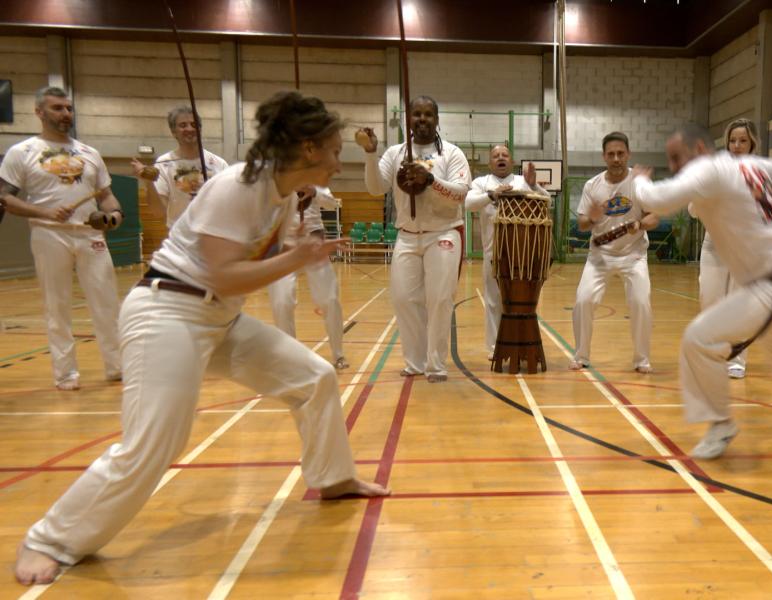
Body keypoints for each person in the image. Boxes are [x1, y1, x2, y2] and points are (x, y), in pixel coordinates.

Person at [13, 91, 390, 586]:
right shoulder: (238, 186)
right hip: (168, 313)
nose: (339, 161)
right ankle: (50, 539)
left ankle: (333, 477)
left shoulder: (279, 195)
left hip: (219, 320)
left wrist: (295, 248)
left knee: (313, 377)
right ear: (308, 149)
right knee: (155, 441)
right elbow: (224, 275)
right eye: (336, 149)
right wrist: (298, 258)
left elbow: (238, 277)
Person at [633, 123, 772, 459]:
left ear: (701, 149)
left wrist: (639, 180)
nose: (674, 166)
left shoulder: (708, 167)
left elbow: (659, 199)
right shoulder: (753, 166)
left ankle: (720, 424)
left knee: (699, 338)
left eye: (677, 158)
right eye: (669, 160)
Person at [0, 86, 123, 391]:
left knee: (107, 302)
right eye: (57, 108)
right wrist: (43, 211)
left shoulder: (90, 153)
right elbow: (5, 198)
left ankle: (117, 367)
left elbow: (107, 196)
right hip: (48, 235)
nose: (65, 114)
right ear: (39, 112)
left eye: (68, 108)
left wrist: (114, 216)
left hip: (90, 236)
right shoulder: (22, 152)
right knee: (57, 306)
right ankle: (66, 375)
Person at [358, 96, 471, 383]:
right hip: (407, 236)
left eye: (428, 114)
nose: (422, 119)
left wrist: (430, 179)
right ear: (408, 119)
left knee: (439, 300)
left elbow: (460, 193)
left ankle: (436, 364)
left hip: (444, 232)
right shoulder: (395, 152)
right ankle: (415, 362)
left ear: (437, 119)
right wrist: (371, 154)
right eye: (416, 114)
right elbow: (375, 188)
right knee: (404, 299)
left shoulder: (452, 154)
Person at [571, 131, 658, 373]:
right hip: (600, 255)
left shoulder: (640, 183)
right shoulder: (593, 185)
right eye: (611, 154)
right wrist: (592, 218)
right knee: (583, 300)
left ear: (628, 154)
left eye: (621, 153)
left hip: (634, 254)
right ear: (604, 157)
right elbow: (581, 223)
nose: (616, 158)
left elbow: (654, 216)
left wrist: (640, 225)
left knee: (641, 302)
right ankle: (581, 356)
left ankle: (642, 359)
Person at [465, 144, 550, 359]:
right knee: (494, 301)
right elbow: (468, 204)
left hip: (524, 254)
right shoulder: (480, 183)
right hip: (493, 252)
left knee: (519, 302)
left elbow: (547, 200)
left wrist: (533, 186)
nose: (500, 158)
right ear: (489, 162)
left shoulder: (523, 181)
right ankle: (495, 348)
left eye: (505, 155)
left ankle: (520, 344)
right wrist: (493, 195)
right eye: (496, 156)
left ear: (511, 161)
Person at [697, 118, 760, 378]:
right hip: (713, 245)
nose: (736, 145)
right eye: (732, 140)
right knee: (709, 301)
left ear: (752, 143)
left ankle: (736, 361)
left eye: (742, 141)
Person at [267, 185, 349, 369]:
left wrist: (314, 192)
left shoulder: (315, 179)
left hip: (314, 246)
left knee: (330, 300)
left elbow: (331, 204)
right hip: (284, 247)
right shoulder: (275, 178)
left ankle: (338, 355)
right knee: (282, 302)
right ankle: (290, 357)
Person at [131, 107, 230, 229]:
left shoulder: (219, 164)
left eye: (194, 124)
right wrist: (148, 182)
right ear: (173, 132)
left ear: (200, 129)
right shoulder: (163, 164)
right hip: (179, 237)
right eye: (183, 125)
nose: (189, 129)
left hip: (212, 234)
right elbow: (158, 212)